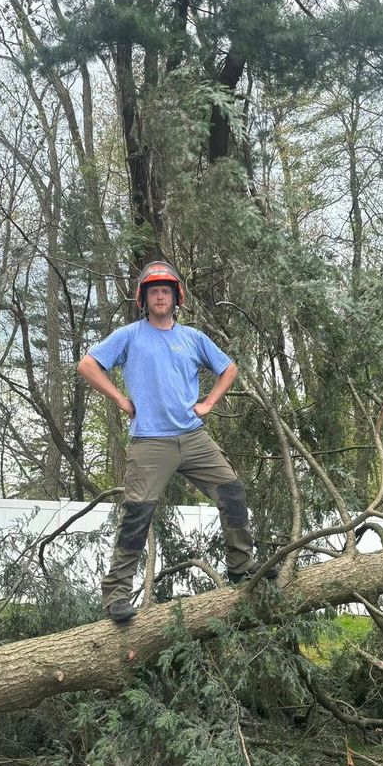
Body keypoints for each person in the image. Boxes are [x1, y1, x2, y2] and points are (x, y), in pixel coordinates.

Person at [76, 261, 256, 623]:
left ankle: (241, 567)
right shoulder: (129, 335)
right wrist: (120, 400)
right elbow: (88, 365)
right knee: (137, 514)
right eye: (154, 291)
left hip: (193, 437)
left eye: (167, 291)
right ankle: (116, 595)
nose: (161, 296)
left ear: (177, 298)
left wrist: (209, 403)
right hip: (150, 442)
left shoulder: (193, 338)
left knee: (233, 492)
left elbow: (229, 368)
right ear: (144, 298)